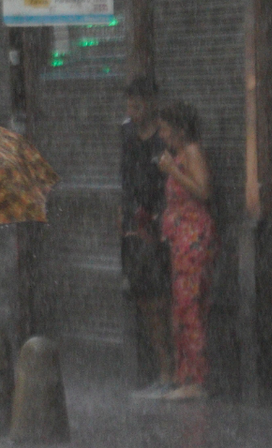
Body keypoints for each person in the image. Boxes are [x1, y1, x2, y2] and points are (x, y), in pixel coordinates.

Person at [156, 100, 214, 401]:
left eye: (166, 129)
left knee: (190, 306)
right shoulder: (179, 155)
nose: (162, 135)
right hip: (180, 240)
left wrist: (173, 171)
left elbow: (203, 190)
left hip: (193, 239)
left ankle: (196, 379)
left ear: (179, 129)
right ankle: (186, 376)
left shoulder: (191, 151)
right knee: (181, 306)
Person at [119, 77, 173, 397]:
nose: (132, 111)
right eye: (129, 105)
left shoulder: (164, 138)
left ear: (152, 103)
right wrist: (126, 219)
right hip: (134, 228)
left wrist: (158, 219)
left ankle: (171, 370)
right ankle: (161, 369)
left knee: (162, 300)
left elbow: (172, 181)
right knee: (144, 300)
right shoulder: (127, 135)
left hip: (160, 229)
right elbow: (125, 180)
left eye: (138, 105)